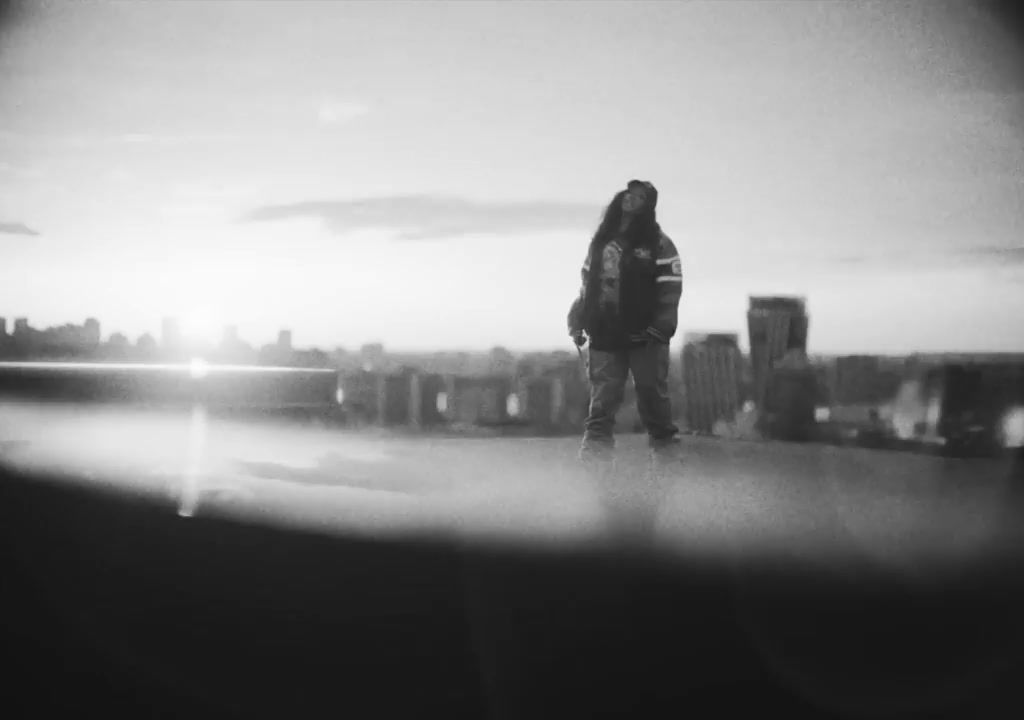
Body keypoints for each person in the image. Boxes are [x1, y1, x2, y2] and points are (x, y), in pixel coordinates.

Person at [567, 179, 683, 464]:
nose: (632, 199)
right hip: (605, 333)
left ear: (648, 206)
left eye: (640, 197)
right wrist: (577, 319)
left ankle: (665, 451)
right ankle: (595, 454)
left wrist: (661, 327)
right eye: (630, 193)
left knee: (651, 393)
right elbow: (586, 287)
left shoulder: (660, 244)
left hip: (645, 336)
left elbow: (671, 287)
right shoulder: (601, 243)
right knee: (603, 397)